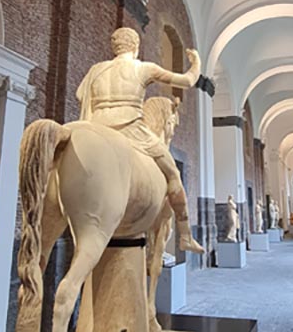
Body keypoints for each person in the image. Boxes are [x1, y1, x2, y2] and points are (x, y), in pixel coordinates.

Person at [76, 27, 204, 253]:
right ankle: (185, 235)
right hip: (130, 128)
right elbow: (187, 80)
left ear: (114, 47)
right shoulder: (143, 68)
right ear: (135, 46)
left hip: (95, 127)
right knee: (173, 174)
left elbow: (79, 95)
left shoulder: (96, 69)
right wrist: (197, 63)